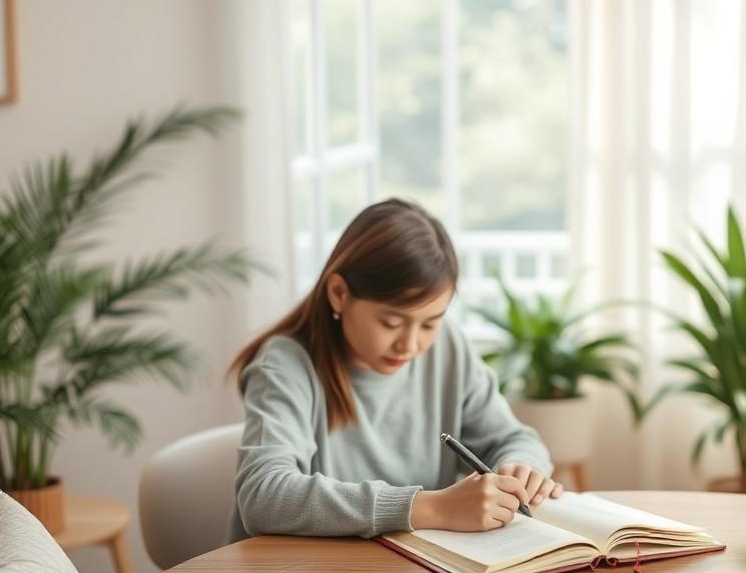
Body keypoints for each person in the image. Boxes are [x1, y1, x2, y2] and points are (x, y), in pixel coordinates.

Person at [227, 198, 563, 542]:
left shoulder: (448, 347)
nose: (411, 344)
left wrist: (521, 466)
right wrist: (432, 508)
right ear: (339, 293)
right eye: (391, 322)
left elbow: (512, 437)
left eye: (430, 323)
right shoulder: (285, 364)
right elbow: (263, 495)